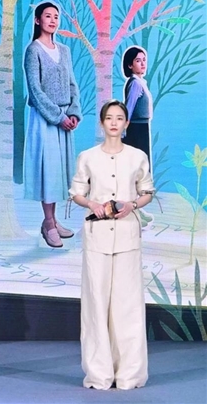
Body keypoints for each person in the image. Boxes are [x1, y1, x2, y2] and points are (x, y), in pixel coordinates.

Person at [69, 99, 155, 390]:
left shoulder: (137, 157)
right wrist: (91, 203)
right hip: (97, 236)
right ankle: (99, 374)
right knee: (96, 305)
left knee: (127, 306)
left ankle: (130, 374)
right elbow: (77, 192)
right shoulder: (87, 157)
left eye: (120, 118)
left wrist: (132, 205)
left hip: (128, 235)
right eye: (109, 118)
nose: (114, 123)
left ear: (127, 123)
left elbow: (147, 192)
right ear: (102, 122)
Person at [23, 1, 82, 248]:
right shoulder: (33, 50)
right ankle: (48, 223)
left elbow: (72, 83)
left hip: (65, 118)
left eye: (56, 16)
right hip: (46, 120)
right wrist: (59, 117)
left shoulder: (64, 50)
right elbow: (35, 91)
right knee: (48, 171)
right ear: (38, 20)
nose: (53, 20)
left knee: (58, 172)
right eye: (48, 16)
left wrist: (74, 112)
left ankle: (54, 220)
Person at [122, 46, 154, 226]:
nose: (142, 64)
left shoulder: (141, 82)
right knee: (136, 171)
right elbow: (129, 107)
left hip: (142, 128)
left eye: (144, 60)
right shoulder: (135, 83)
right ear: (130, 65)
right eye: (137, 61)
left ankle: (137, 209)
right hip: (135, 131)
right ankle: (133, 212)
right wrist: (124, 130)